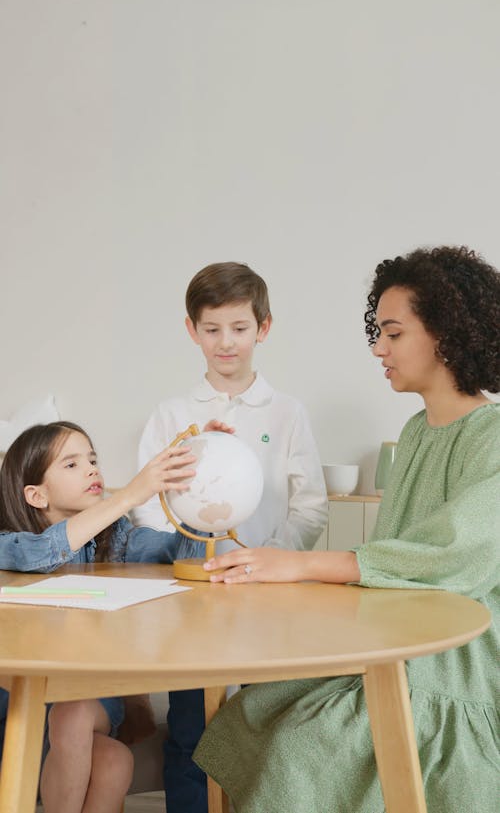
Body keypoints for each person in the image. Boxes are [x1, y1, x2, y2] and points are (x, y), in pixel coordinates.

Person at [193, 245, 500, 813]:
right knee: (250, 712)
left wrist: (298, 564)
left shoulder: (493, 435)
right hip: (394, 640)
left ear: (445, 333)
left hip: (457, 660)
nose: (378, 348)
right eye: (377, 332)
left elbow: (456, 558)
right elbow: (394, 565)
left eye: (393, 333)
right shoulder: (414, 434)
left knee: (299, 748)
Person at [132, 260, 329, 813]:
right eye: (212, 329)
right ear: (191, 330)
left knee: (268, 722)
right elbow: (147, 505)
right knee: (192, 727)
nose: (226, 342)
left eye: (239, 329)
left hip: (269, 596)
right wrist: (188, 557)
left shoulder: (287, 413)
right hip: (193, 599)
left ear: (263, 328)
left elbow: (309, 507)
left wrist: (270, 563)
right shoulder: (171, 414)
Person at [0, 419, 197, 813]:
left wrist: (203, 498)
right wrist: (128, 496)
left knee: (80, 718)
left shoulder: (117, 539)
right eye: (71, 464)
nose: (92, 468)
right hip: (21, 714)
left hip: (88, 707)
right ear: (36, 495)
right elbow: (41, 556)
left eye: (92, 458)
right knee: (113, 760)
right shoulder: (10, 544)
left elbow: (186, 556)